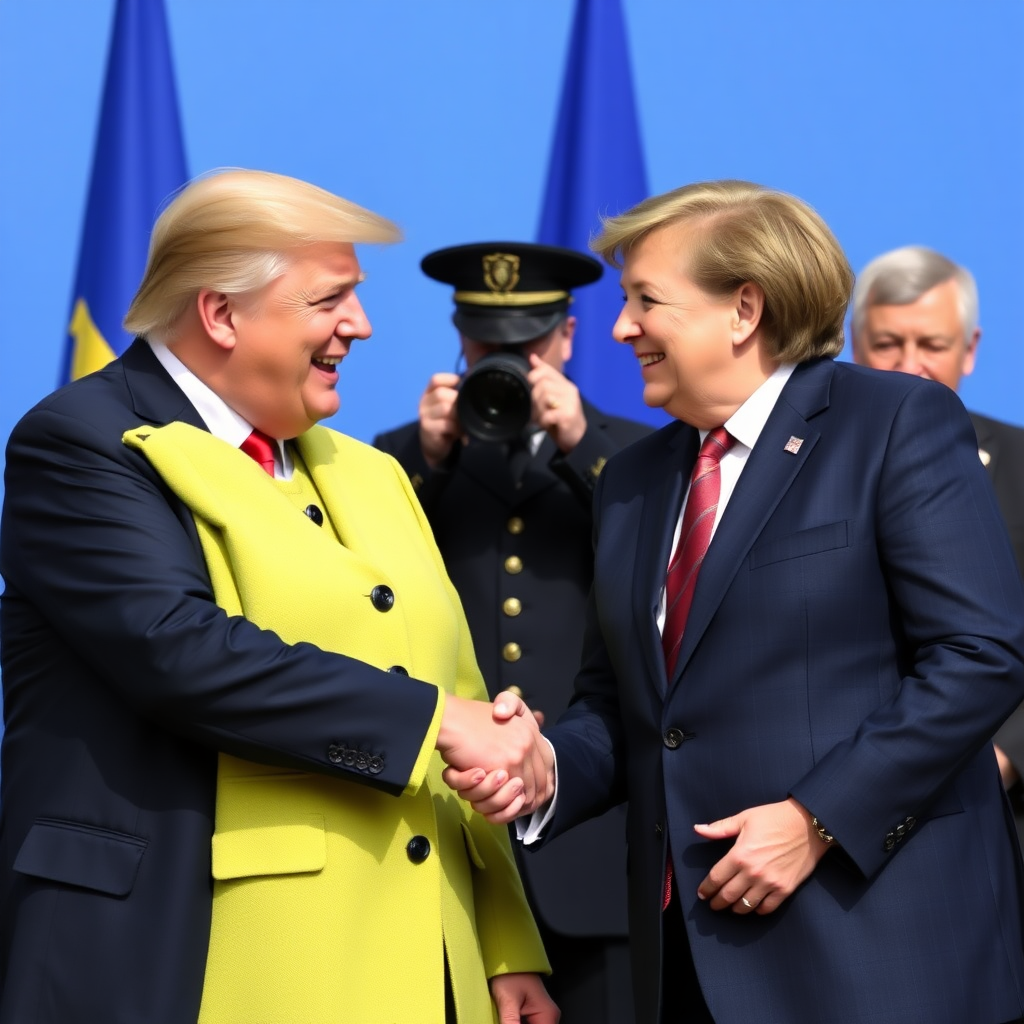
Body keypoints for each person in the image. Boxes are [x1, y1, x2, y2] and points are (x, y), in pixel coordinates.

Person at [448, 181, 1024, 1023]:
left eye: (646, 301)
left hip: (877, 961)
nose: (621, 328)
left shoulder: (893, 422)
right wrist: (544, 768)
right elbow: (627, 706)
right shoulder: (634, 481)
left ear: (743, 309)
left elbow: (980, 656)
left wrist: (817, 819)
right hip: (689, 967)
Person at [0, 169, 557, 1024]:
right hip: (194, 959)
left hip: (423, 968)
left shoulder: (373, 472)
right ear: (221, 314)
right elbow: (177, 646)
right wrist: (436, 722)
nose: (360, 325)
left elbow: (463, 692)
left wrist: (506, 942)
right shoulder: (81, 443)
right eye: (329, 299)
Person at [375, 241, 649, 1023]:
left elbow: (668, 557)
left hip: (597, 846)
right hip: (453, 829)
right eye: (487, 345)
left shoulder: (631, 456)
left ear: (565, 337)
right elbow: (358, 583)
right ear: (460, 341)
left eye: (527, 345)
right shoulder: (395, 463)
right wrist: (424, 460)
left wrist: (582, 446)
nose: (508, 363)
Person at [850, 244, 1024, 838]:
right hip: (829, 810)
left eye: (932, 346)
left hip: (992, 812)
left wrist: (1004, 756)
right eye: (888, 343)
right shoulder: (792, 470)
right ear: (853, 343)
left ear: (970, 350)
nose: (910, 365)